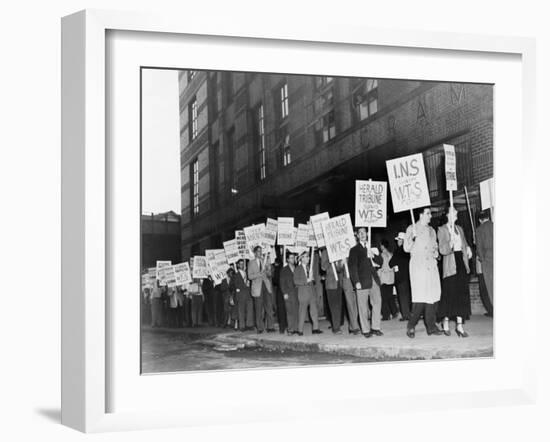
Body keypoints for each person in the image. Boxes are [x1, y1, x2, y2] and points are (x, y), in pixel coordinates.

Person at [403, 207, 443, 338]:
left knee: (432, 298)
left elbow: (435, 246)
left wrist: (437, 254)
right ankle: (411, 325)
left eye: (430, 213)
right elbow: (406, 248)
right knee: (420, 299)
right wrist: (413, 238)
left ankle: (431, 327)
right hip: (419, 267)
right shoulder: (411, 228)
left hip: (431, 266)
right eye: (428, 213)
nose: (430, 216)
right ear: (420, 215)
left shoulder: (432, 230)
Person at [437, 206, 473, 337]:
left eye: (456, 212)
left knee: (462, 295)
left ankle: (459, 326)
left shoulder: (460, 229)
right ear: (448, 215)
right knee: (449, 295)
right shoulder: (441, 230)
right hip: (450, 265)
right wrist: (450, 244)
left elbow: (464, 243)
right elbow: (442, 249)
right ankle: (445, 322)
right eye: (454, 212)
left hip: (461, 263)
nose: (456, 214)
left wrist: (468, 248)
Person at [348, 227, 384, 338]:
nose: (363, 234)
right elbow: (352, 267)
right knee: (363, 306)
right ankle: (365, 330)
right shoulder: (354, 250)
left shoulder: (372, 247)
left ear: (367, 234)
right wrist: (356, 281)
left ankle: (375, 327)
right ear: (357, 236)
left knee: (377, 302)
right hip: (362, 281)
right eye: (360, 233)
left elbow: (381, 262)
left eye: (364, 232)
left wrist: (373, 255)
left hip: (373, 280)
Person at [247, 246, 275, 333]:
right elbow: (250, 276)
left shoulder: (265, 261)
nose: (260, 253)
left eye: (261, 251)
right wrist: (259, 274)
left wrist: (269, 270)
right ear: (255, 253)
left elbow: (270, 275)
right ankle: (260, 327)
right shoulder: (251, 263)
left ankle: (270, 326)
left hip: (266, 286)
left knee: (269, 307)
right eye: (258, 251)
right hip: (257, 288)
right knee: (258, 308)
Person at [294, 251, 322, 336]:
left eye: (308, 256)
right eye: (306, 257)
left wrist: (312, 279)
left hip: (311, 292)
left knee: (314, 311)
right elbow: (296, 281)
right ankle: (300, 330)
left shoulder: (309, 267)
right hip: (303, 293)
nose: (308, 258)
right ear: (301, 258)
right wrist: (306, 280)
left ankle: (315, 328)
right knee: (302, 311)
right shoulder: (298, 268)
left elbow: (312, 280)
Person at [389, 232, 412, 321]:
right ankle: (409, 313)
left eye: (398, 240)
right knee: (408, 295)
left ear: (402, 241)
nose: (397, 241)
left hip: (400, 277)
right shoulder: (408, 250)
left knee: (402, 296)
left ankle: (406, 315)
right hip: (408, 276)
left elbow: (391, 263)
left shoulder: (399, 250)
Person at [320, 248, 343, 334]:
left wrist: (341, 264)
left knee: (339, 305)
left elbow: (340, 268)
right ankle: (336, 328)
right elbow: (323, 267)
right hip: (330, 284)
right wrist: (331, 259)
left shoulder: (338, 249)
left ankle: (337, 324)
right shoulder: (325, 252)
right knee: (333, 306)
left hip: (339, 283)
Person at [476, 209, 493, 317]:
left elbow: (479, 248)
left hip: (488, 260)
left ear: (480, 220)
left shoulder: (479, 229)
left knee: (491, 287)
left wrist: (482, 259)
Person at [279, 251, 299, 335]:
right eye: (291, 258)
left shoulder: (297, 268)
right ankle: (290, 329)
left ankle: (296, 328)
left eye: (293, 258)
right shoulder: (284, 270)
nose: (293, 259)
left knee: (296, 310)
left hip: (297, 292)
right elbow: (282, 282)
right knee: (289, 311)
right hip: (289, 293)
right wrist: (284, 293)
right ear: (287, 259)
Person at [232, 259, 254, 331]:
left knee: (250, 309)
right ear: (238, 265)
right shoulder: (235, 275)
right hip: (241, 295)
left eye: (243, 264)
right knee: (241, 311)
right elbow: (236, 285)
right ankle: (242, 326)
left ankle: (249, 325)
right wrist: (244, 285)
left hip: (248, 294)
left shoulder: (246, 273)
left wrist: (248, 284)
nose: (242, 265)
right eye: (240, 264)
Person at [378, 239, 398, 320]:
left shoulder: (381, 255)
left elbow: (380, 267)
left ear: (382, 246)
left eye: (380, 245)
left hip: (384, 278)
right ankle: (394, 312)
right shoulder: (391, 254)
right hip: (391, 278)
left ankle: (386, 315)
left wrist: (378, 277)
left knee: (383, 297)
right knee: (390, 296)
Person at [272, 257, 288, 334]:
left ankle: (282, 328)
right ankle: (288, 326)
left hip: (280, 291)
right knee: (287, 309)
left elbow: (275, 280)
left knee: (281, 310)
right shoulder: (286, 268)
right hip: (287, 290)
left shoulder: (278, 269)